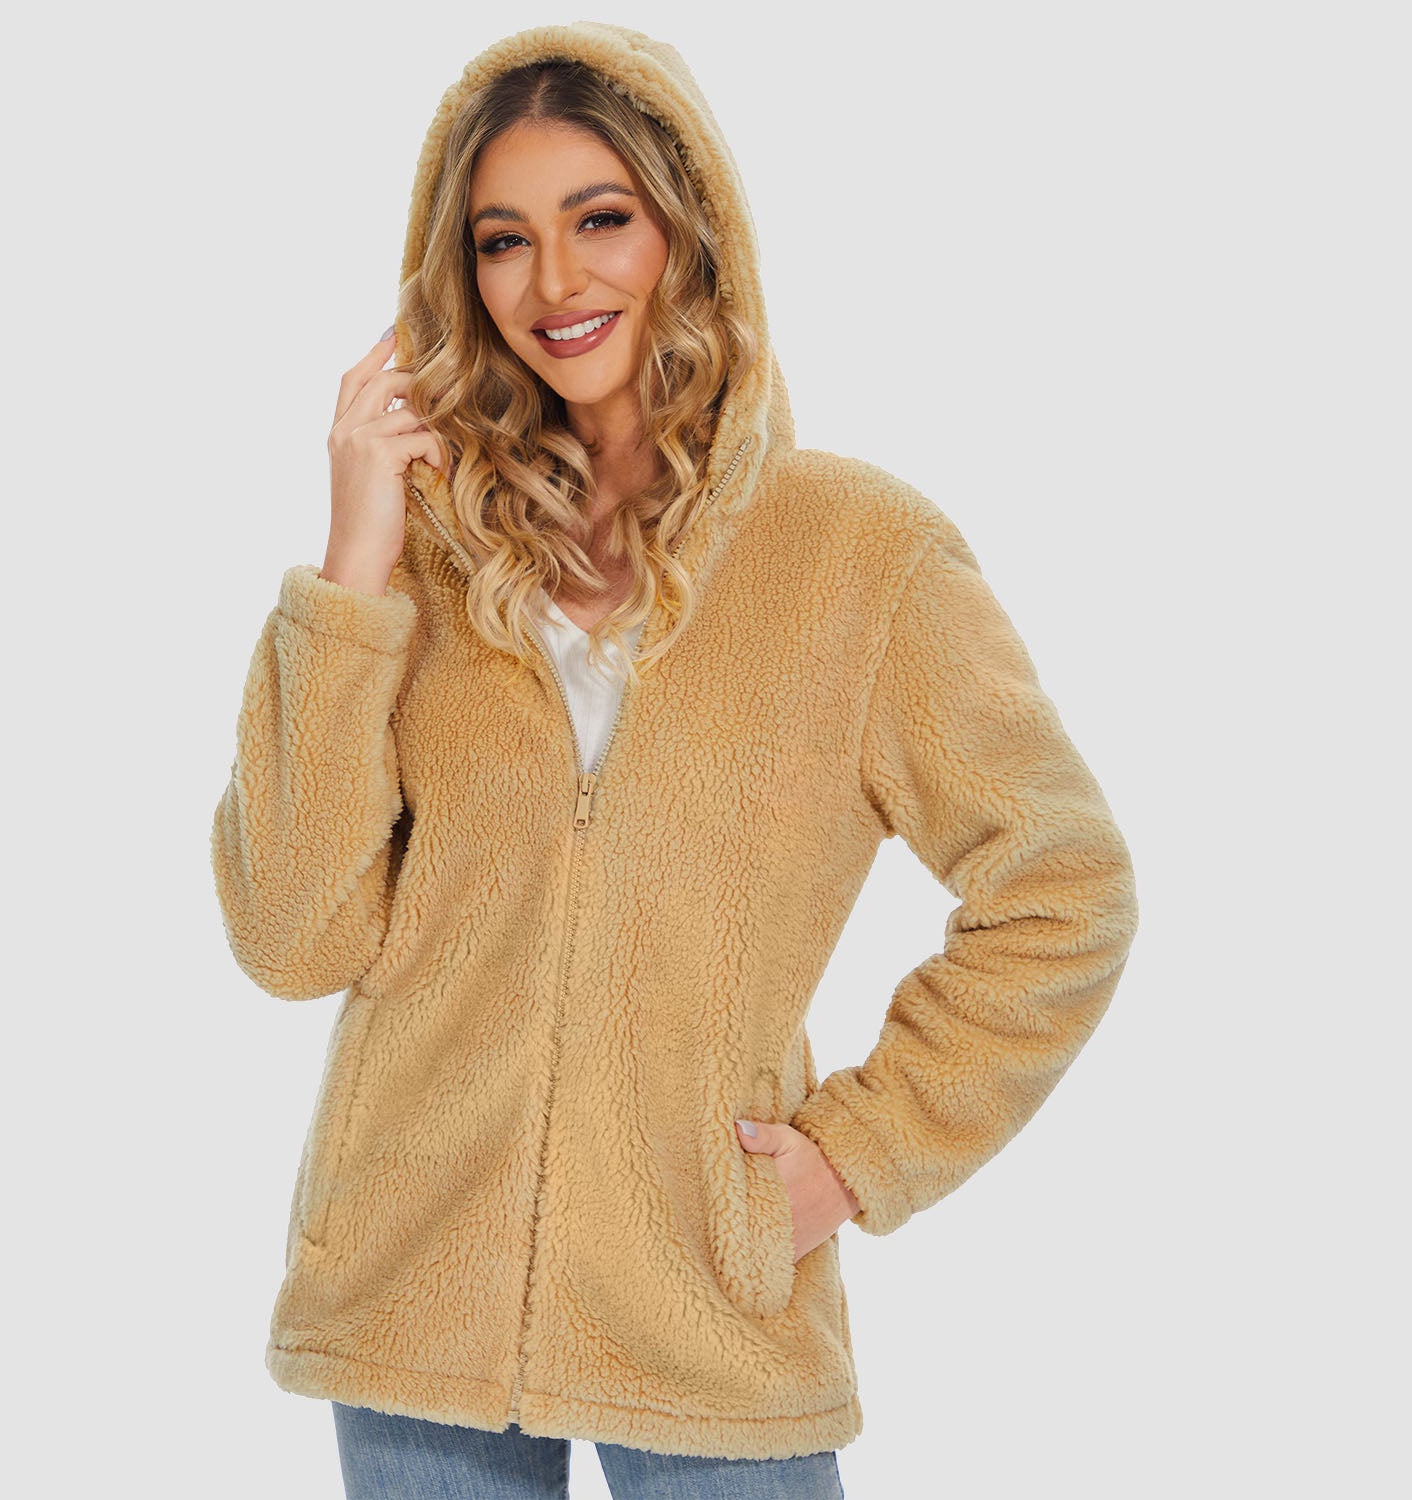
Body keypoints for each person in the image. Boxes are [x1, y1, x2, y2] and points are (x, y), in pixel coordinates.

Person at [209, 21, 1140, 1500]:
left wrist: (855, 1157)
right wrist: (354, 566)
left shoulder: (861, 557)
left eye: (601, 220)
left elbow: (1065, 891)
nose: (554, 284)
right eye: (503, 240)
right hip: (409, 1307)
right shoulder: (423, 563)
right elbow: (291, 938)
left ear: (689, 228)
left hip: (709, 1315)